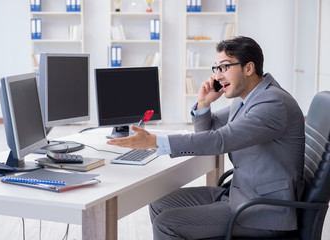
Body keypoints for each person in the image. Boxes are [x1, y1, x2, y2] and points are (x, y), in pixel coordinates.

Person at [107, 36, 305, 239]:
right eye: (216, 68)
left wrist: (156, 142)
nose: (218, 76)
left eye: (225, 67)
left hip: (263, 210)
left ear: (248, 68)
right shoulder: (246, 98)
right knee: (159, 203)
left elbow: (220, 140)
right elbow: (206, 135)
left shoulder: (272, 104)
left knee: (167, 224)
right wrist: (203, 103)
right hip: (239, 193)